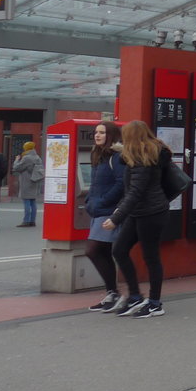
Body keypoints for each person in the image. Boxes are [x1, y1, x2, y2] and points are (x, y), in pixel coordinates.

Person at [103, 120, 173, 317]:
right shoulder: (137, 155)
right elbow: (132, 191)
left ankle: (155, 303)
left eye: (125, 136)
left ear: (132, 137)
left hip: (152, 212)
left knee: (151, 257)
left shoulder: (144, 158)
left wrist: (116, 218)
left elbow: (136, 192)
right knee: (119, 250)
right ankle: (135, 296)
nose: (122, 139)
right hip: (139, 212)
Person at [85, 122, 126, 311]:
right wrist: (90, 200)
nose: (97, 135)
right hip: (97, 209)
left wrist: (102, 201)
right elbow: (95, 183)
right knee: (103, 251)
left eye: (102, 132)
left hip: (108, 211)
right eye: (96, 132)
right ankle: (112, 293)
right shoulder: (98, 154)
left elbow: (121, 183)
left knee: (93, 250)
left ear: (111, 135)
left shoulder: (116, 156)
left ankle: (115, 293)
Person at [11, 141, 44, 227]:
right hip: (35, 180)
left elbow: (17, 168)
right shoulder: (37, 157)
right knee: (33, 201)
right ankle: (32, 220)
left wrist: (16, 160)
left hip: (26, 181)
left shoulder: (26, 158)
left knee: (26, 201)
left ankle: (26, 221)